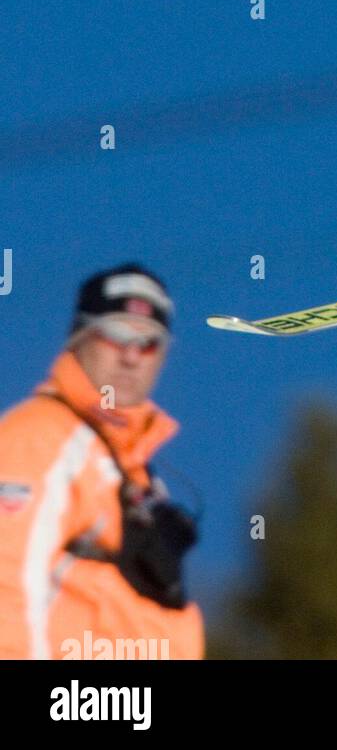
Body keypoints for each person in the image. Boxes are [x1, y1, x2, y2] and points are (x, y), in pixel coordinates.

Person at [0, 265, 204, 659]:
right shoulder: (40, 438)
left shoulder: (134, 470)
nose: (131, 357)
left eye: (148, 344)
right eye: (116, 335)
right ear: (80, 336)